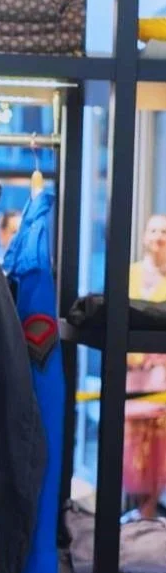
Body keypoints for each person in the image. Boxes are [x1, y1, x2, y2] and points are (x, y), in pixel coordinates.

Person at [123, 214, 166, 521]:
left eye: (164, 231)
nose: (159, 236)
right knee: (133, 444)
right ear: (144, 237)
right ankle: (138, 512)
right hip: (132, 377)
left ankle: (149, 513)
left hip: (161, 379)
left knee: (158, 448)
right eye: (153, 230)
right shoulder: (130, 274)